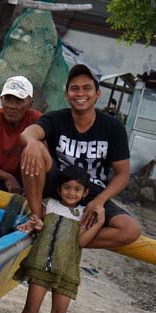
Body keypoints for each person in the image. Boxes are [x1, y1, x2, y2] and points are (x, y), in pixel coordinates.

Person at [0, 166, 105, 313]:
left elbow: (82, 242)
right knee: (29, 311)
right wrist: (35, 223)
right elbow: (39, 224)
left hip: (66, 272)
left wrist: (100, 222)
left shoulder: (83, 215)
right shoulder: (49, 205)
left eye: (77, 189)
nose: (71, 193)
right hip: (41, 268)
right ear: (59, 188)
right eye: (67, 187)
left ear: (84, 193)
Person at [19, 64, 141, 249]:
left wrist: (99, 201)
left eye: (87, 88)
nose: (80, 93)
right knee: (33, 147)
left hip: (92, 192)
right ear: (66, 95)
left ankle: (65, 240)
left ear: (98, 94)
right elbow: (28, 133)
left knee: (130, 230)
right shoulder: (56, 118)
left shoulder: (113, 127)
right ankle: (38, 220)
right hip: (59, 185)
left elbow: (123, 175)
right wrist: (32, 142)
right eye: (74, 88)